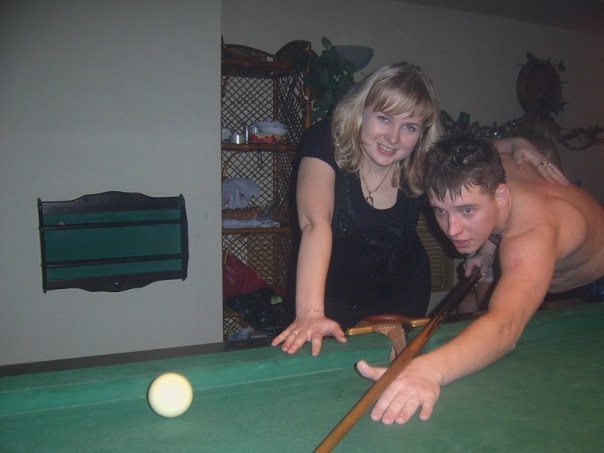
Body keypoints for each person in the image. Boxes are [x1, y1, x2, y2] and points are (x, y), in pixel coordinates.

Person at [271, 63, 565, 357]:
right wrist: (310, 312)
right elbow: (314, 223)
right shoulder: (326, 140)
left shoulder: (425, 157)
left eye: (409, 127)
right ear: (361, 111)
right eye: (384, 118)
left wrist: (514, 143)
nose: (393, 138)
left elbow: (471, 158)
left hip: (402, 294)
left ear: (422, 133)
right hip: (324, 295)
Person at [357, 131, 604, 425]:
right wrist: (516, 141)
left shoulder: (532, 235)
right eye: (440, 211)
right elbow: (468, 150)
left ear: (501, 196)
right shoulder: (483, 166)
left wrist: (428, 370)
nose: (452, 229)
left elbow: (505, 326)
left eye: (467, 210)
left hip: (594, 286)